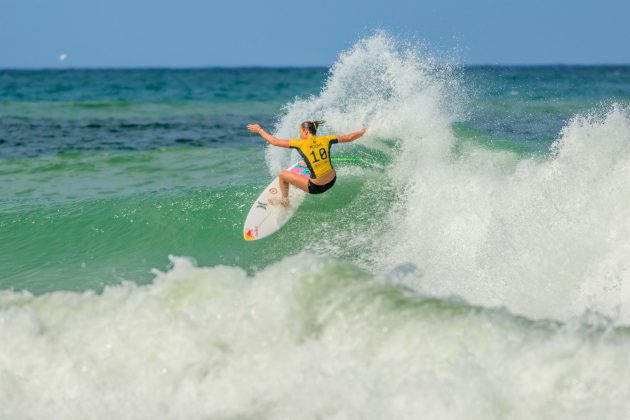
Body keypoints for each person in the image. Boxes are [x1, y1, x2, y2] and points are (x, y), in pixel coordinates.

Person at [247, 120, 367, 206]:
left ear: (305, 132)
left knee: (283, 174)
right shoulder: (327, 139)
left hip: (316, 187)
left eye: (300, 132)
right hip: (333, 180)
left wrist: (259, 130)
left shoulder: (300, 143)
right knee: (307, 162)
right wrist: (363, 131)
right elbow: (349, 137)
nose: (299, 135)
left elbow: (274, 141)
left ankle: (284, 201)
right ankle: (308, 168)